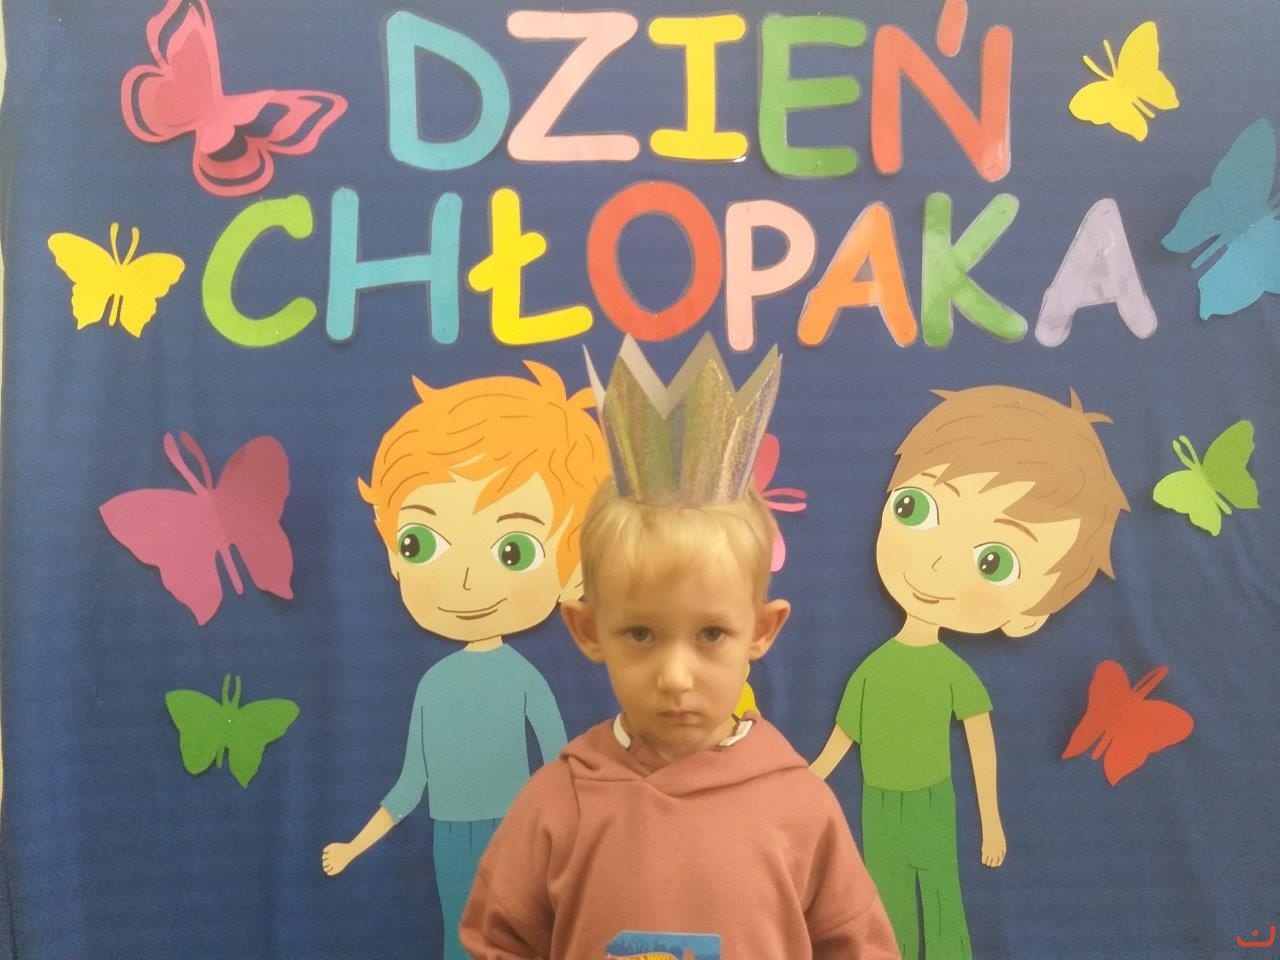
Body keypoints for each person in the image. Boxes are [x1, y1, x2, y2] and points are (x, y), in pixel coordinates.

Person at [460, 336, 899, 960]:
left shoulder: (800, 807)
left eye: (711, 634)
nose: (674, 676)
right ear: (589, 630)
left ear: (762, 630)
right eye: (641, 634)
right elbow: (496, 943)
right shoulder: (558, 803)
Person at [811, 385, 1130, 960]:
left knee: (942, 901)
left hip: (934, 801)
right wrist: (804, 785)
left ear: (1029, 615)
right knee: (885, 912)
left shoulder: (953, 673)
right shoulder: (873, 669)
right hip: (877, 802)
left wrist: (991, 822)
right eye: (915, 508)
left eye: (994, 561)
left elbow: (979, 743)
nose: (935, 562)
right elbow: (844, 736)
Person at [321, 362, 609, 960]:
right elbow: (411, 784)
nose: (469, 580)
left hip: (521, 832)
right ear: (392, 553)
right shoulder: (434, 684)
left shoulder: (522, 678)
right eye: (419, 543)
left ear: (573, 567)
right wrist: (354, 846)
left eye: (514, 549)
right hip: (449, 838)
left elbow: (562, 766)